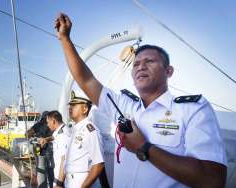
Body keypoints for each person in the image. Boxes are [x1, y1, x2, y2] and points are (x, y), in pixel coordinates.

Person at [54, 13, 227, 187]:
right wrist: (65, 39)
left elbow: (212, 179)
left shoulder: (192, 109)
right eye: (136, 64)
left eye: (149, 61)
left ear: (169, 71)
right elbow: (86, 80)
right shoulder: (122, 105)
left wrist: (144, 148)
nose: (141, 66)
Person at [64, 90, 104, 188]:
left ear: (85, 109)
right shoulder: (73, 130)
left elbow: (99, 164)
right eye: (70, 105)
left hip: (83, 182)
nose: (70, 108)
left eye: (74, 105)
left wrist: (83, 187)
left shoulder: (90, 130)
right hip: (70, 181)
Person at [39, 110, 71, 187]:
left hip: (62, 177)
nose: (47, 125)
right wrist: (46, 139)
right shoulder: (59, 130)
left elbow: (64, 160)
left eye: (48, 122)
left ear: (53, 121)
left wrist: (59, 183)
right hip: (58, 174)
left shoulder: (64, 135)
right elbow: (55, 137)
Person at [27, 111, 54, 188]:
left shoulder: (38, 125)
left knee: (40, 168)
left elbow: (27, 134)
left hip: (40, 150)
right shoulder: (51, 125)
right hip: (50, 151)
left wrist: (31, 135)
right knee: (50, 171)